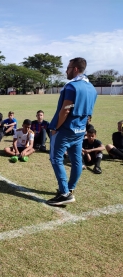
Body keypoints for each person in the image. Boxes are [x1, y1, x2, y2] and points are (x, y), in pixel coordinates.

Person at [47, 57, 97, 206]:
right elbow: (89, 115)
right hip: (80, 130)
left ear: (75, 69)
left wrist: (56, 127)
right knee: (76, 161)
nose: (66, 71)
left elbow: (65, 110)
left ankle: (64, 193)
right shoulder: (92, 89)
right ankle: (70, 188)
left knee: (56, 159)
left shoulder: (71, 87)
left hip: (65, 130)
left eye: (68, 68)